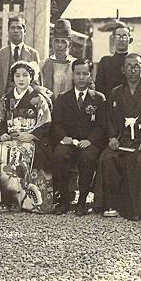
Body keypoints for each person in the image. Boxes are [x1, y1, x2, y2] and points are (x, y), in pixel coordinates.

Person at [93, 53, 141, 220]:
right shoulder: (116, 93)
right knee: (107, 158)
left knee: (140, 161)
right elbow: (109, 118)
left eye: (137, 66)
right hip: (121, 140)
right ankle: (110, 204)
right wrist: (112, 138)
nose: (133, 69)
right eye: (129, 66)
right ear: (123, 70)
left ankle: (137, 208)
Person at [0, 61, 53, 213]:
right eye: (17, 75)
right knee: (1, 150)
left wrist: (32, 135)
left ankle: (24, 201)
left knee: (22, 151)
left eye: (25, 75)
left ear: (31, 77)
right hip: (10, 137)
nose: (21, 79)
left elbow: (46, 121)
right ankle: (4, 200)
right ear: (12, 78)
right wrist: (2, 133)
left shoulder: (38, 98)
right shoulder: (6, 99)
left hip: (30, 138)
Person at [52, 58, 106, 216]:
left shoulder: (98, 98)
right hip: (69, 141)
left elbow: (102, 126)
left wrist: (90, 140)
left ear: (90, 76)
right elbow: (57, 123)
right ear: (72, 75)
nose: (81, 77)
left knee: (88, 157)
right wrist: (64, 137)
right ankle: (63, 200)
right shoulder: (63, 97)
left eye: (85, 74)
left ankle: (82, 200)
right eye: (78, 73)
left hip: (88, 142)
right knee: (59, 154)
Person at [0, 16, 41, 100]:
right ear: (8, 31)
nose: (16, 30)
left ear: (24, 31)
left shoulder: (33, 54)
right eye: (12, 28)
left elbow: (37, 82)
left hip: (25, 99)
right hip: (4, 98)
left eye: (19, 27)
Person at [94, 21, 131, 98]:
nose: (121, 40)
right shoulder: (105, 62)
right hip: (108, 106)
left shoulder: (134, 61)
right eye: (118, 36)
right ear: (113, 39)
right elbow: (98, 89)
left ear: (130, 40)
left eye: (124, 36)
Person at [41, 19, 76, 97]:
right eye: (57, 41)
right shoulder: (43, 64)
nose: (59, 45)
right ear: (52, 43)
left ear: (70, 44)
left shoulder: (75, 65)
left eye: (63, 42)